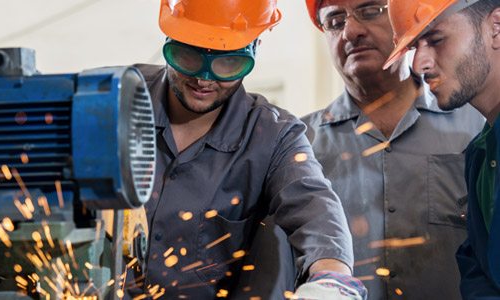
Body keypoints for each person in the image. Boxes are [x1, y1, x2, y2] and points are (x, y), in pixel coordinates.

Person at [126, 0, 367, 298]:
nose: (204, 78)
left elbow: (315, 208)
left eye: (227, 63)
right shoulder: (115, 99)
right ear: (170, 39)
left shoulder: (274, 135)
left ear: (255, 48)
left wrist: (333, 279)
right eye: (188, 56)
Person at [302, 0, 484, 298]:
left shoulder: (478, 126)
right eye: (335, 21)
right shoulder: (299, 146)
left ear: (405, 22)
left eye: (371, 11)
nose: (350, 31)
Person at [385, 0, 500, 297]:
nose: (419, 65)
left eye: (436, 40)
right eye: (414, 48)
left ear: (496, 27)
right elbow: (482, 274)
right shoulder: (481, 154)